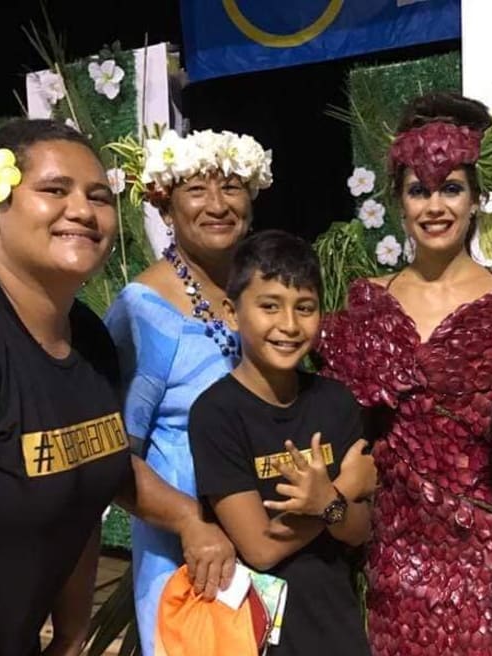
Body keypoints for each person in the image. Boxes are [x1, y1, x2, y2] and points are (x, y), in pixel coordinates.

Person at [0, 119, 233, 656]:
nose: (83, 211)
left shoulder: (88, 338)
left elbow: (86, 482)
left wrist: (69, 635)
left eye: (99, 197)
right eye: (54, 190)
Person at [317, 92, 492, 654]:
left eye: (451, 188)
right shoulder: (368, 300)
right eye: (419, 191)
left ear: (476, 199)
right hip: (395, 556)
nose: (435, 206)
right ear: (399, 202)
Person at [103, 126, 272, 654]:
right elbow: (111, 456)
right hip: (191, 553)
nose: (217, 205)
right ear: (165, 206)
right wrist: (188, 522)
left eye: (231, 187)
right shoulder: (142, 311)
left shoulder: (264, 291)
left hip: (268, 539)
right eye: (197, 190)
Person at [188, 229, 375, 655]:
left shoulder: (336, 401)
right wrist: (339, 491)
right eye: (269, 306)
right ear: (232, 313)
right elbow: (260, 547)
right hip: (257, 636)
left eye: (304, 308)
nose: (289, 325)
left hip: (335, 626)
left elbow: (360, 530)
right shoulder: (215, 414)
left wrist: (332, 506)